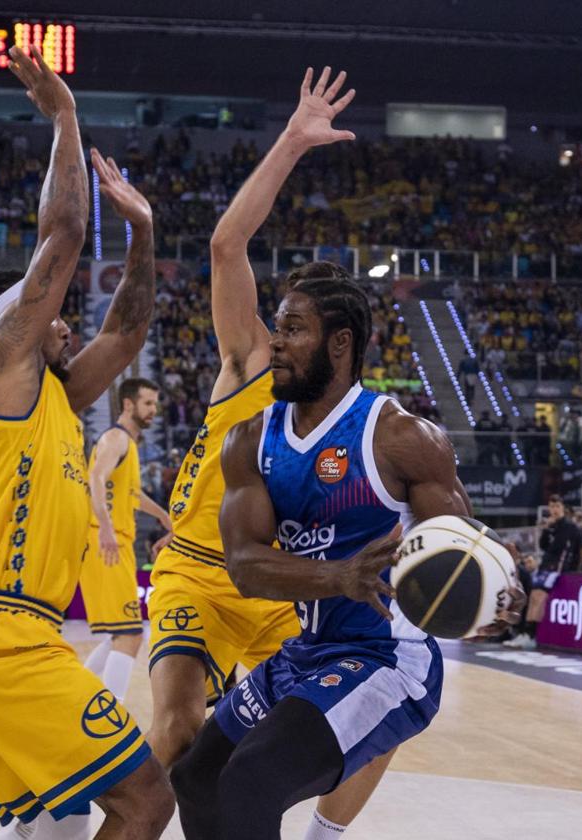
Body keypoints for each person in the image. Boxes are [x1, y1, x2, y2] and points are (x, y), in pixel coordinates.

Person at [0, 45, 172, 840]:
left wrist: (145, 232)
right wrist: (64, 117)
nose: (63, 319)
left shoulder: (55, 393)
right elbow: (62, 232)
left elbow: (127, 330)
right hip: (1, 635)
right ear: (8, 330)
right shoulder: (7, 373)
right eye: (47, 312)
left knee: (53, 824)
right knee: (146, 799)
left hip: (15, 632)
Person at [170, 246, 521, 839]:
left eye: (294, 329)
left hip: (389, 659)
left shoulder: (403, 438)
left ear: (340, 344)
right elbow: (244, 567)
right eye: (276, 328)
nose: (275, 342)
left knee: (253, 777)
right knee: (197, 778)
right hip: (308, 649)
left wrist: (500, 599)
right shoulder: (249, 441)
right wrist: (338, 577)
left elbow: (467, 550)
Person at [146, 67, 396, 839]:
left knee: (381, 711)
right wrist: (291, 141)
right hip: (200, 570)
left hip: (292, 594)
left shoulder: (360, 424)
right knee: (185, 730)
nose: (285, 335)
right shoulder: (252, 363)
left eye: (303, 326)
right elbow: (227, 244)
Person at [79, 377, 172, 705]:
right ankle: (109, 713)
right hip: (106, 543)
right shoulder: (116, 438)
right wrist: (104, 527)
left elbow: (131, 493)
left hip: (115, 542)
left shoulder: (128, 445)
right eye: (148, 403)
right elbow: (95, 477)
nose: (153, 410)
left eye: (155, 404)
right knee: (130, 634)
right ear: (129, 404)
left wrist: (162, 515)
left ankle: (78, 701)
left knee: (119, 635)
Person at [507, 496, 582, 650]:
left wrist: (577, 569)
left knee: (540, 597)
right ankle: (524, 633)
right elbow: (543, 546)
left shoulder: (571, 527)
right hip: (545, 566)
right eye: (551, 506)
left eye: (557, 506)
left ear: (563, 508)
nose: (554, 510)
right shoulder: (551, 526)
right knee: (533, 597)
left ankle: (531, 635)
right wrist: (546, 529)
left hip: (557, 568)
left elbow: (581, 549)